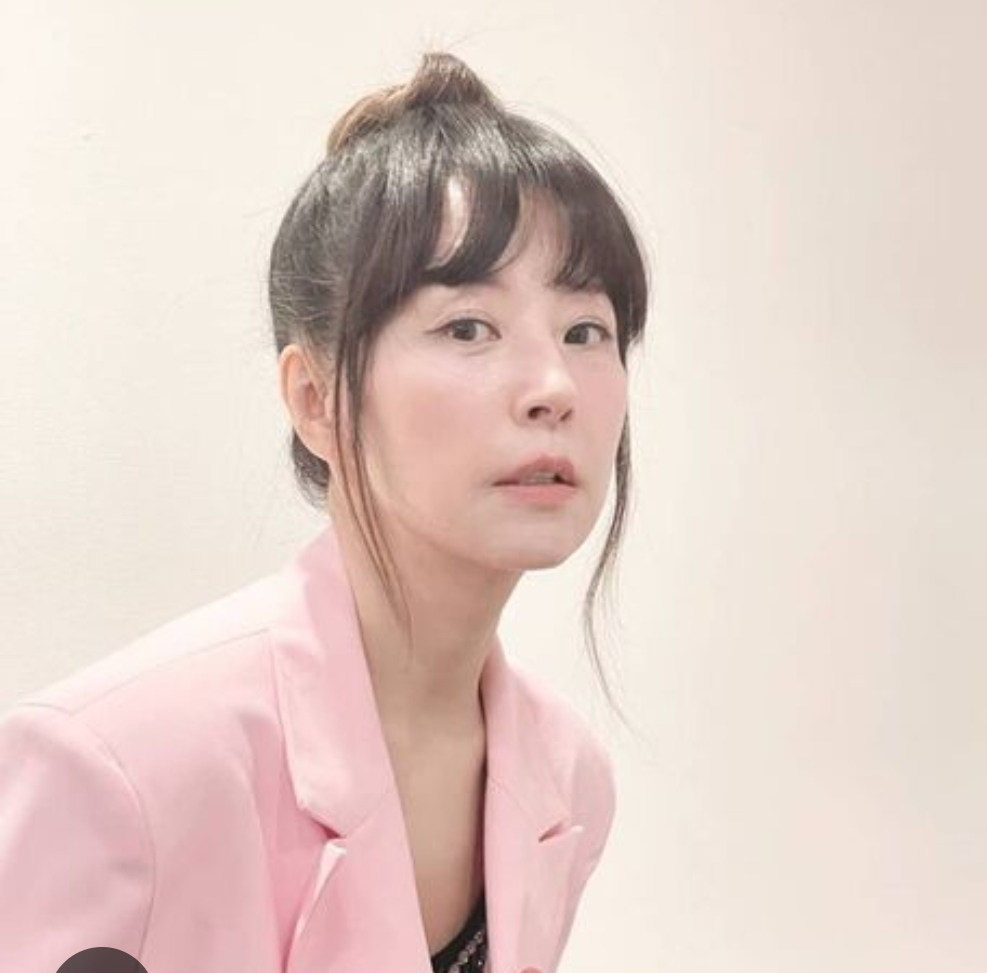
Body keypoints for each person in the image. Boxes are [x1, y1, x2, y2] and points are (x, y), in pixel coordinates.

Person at [0, 51, 648, 973]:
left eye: (586, 330)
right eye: (468, 326)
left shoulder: (566, 777)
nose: (553, 385)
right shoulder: (119, 771)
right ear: (315, 400)